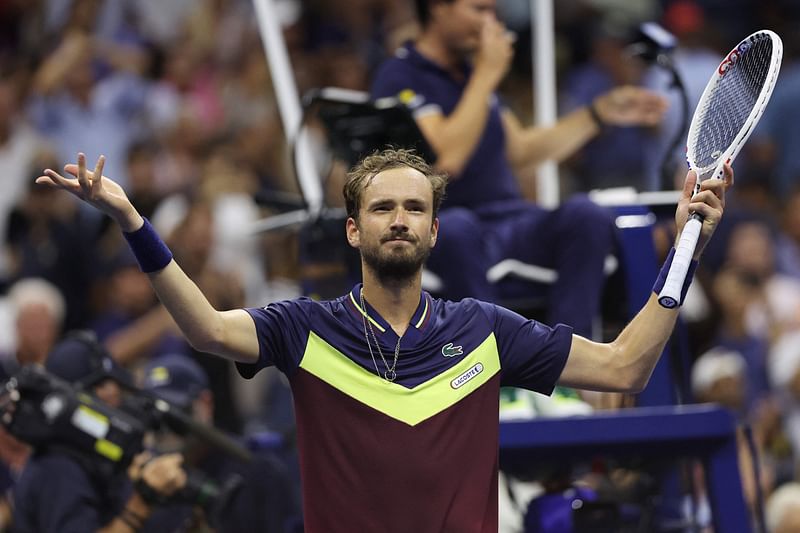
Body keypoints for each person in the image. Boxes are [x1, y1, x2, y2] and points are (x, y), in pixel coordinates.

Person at [36, 147, 730, 532]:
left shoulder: (483, 328)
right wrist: (133, 221)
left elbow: (626, 365)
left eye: (414, 208)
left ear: (433, 231)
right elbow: (207, 328)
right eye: (382, 207)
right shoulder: (304, 326)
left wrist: (687, 244)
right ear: (353, 229)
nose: (399, 219)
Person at [369, 0, 667, 338]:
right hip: (452, 224)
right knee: (456, 227)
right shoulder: (401, 75)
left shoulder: (471, 74)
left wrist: (598, 114)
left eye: (494, 12)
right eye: (480, 10)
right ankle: (490, 368)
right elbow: (448, 159)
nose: (491, 23)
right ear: (438, 8)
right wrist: (486, 74)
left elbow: (522, 151)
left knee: (587, 214)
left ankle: (568, 365)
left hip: (510, 220)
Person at [11, 333, 187, 533]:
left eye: (111, 382)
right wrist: (141, 502)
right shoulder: (57, 466)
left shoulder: (99, 453)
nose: (111, 392)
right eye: (96, 386)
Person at [139, 352, 302, 532]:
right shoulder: (145, 480)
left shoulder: (256, 469)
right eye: (156, 416)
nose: (165, 428)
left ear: (206, 403)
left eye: (177, 412)